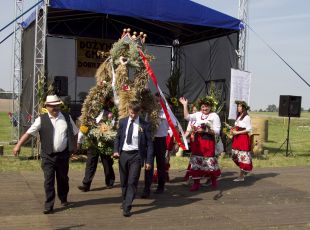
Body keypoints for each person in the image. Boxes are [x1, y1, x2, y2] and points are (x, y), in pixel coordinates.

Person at [13, 95, 78, 214]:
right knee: (48, 180)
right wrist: (18, 145)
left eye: (57, 105)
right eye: (53, 106)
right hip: (48, 156)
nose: (56, 108)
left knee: (63, 179)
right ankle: (49, 205)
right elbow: (28, 133)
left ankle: (63, 199)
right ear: (47, 107)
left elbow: (75, 132)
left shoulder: (67, 117)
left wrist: (74, 145)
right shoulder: (41, 119)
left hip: (63, 155)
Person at [113, 101, 153, 217]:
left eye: (135, 113)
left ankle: (127, 206)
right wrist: (116, 150)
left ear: (139, 112)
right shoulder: (123, 122)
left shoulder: (144, 125)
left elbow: (149, 145)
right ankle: (125, 199)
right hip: (124, 154)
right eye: (131, 113)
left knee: (132, 181)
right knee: (124, 181)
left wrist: (149, 161)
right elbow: (118, 138)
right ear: (128, 110)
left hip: (137, 156)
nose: (133, 115)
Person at [179, 96, 221, 191]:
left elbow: (217, 131)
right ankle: (196, 184)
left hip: (208, 142)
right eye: (202, 106)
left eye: (206, 106)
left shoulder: (214, 116)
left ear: (210, 107)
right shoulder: (198, 114)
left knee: (210, 162)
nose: (204, 108)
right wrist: (185, 105)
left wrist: (205, 130)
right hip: (198, 142)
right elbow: (187, 117)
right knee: (196, 162)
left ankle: (213, 180)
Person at [141, 93, 175, 198]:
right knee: (148, 164)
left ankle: (161, 186)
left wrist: (175, 142)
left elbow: (174, 125)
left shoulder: (167, 112)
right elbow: (145, 124)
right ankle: (147, 188)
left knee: (161, 165)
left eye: (158, 100)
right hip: (150, 140)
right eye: (155, 100)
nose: (156, 102)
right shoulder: (150, 112)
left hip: (161, 140)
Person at [231, 100, 253, 182]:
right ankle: (244, 170)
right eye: (238, 106)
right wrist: (232, 130)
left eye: (240, 106)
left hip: (243, 138)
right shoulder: (239, 116)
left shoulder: (247, 117)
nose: (238, 108)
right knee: (234, 155)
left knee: (242, 157)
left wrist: (238, 132)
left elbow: (249, 129)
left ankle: (241, 175)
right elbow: (237, 126)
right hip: (237, 138)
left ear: (243, 108)